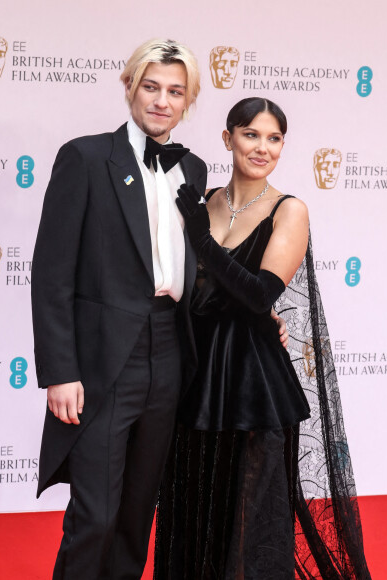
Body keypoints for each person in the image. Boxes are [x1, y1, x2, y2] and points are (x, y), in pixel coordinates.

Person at [154, 98, 372, 579]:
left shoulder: (289, 209)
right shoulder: (203, 200)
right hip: (193, 378)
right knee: (192, 512)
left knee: (253, 525)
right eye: (252, 135)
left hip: (253, 382)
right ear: (228, 137)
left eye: (274, 139)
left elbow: (259, 294)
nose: (263, 148)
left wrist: (202, 240)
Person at [31, 39, 207, 580]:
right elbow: (51, 272)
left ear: (187, 101)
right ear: (130, 87)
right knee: (97, 515)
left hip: (170, 352)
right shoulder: (85, 157)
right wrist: (61, 371)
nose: (161, 100)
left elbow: (197, 267)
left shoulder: (195, 170)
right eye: (151, 87)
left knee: (136, 515)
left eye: (174, 91)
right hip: (106, 359)